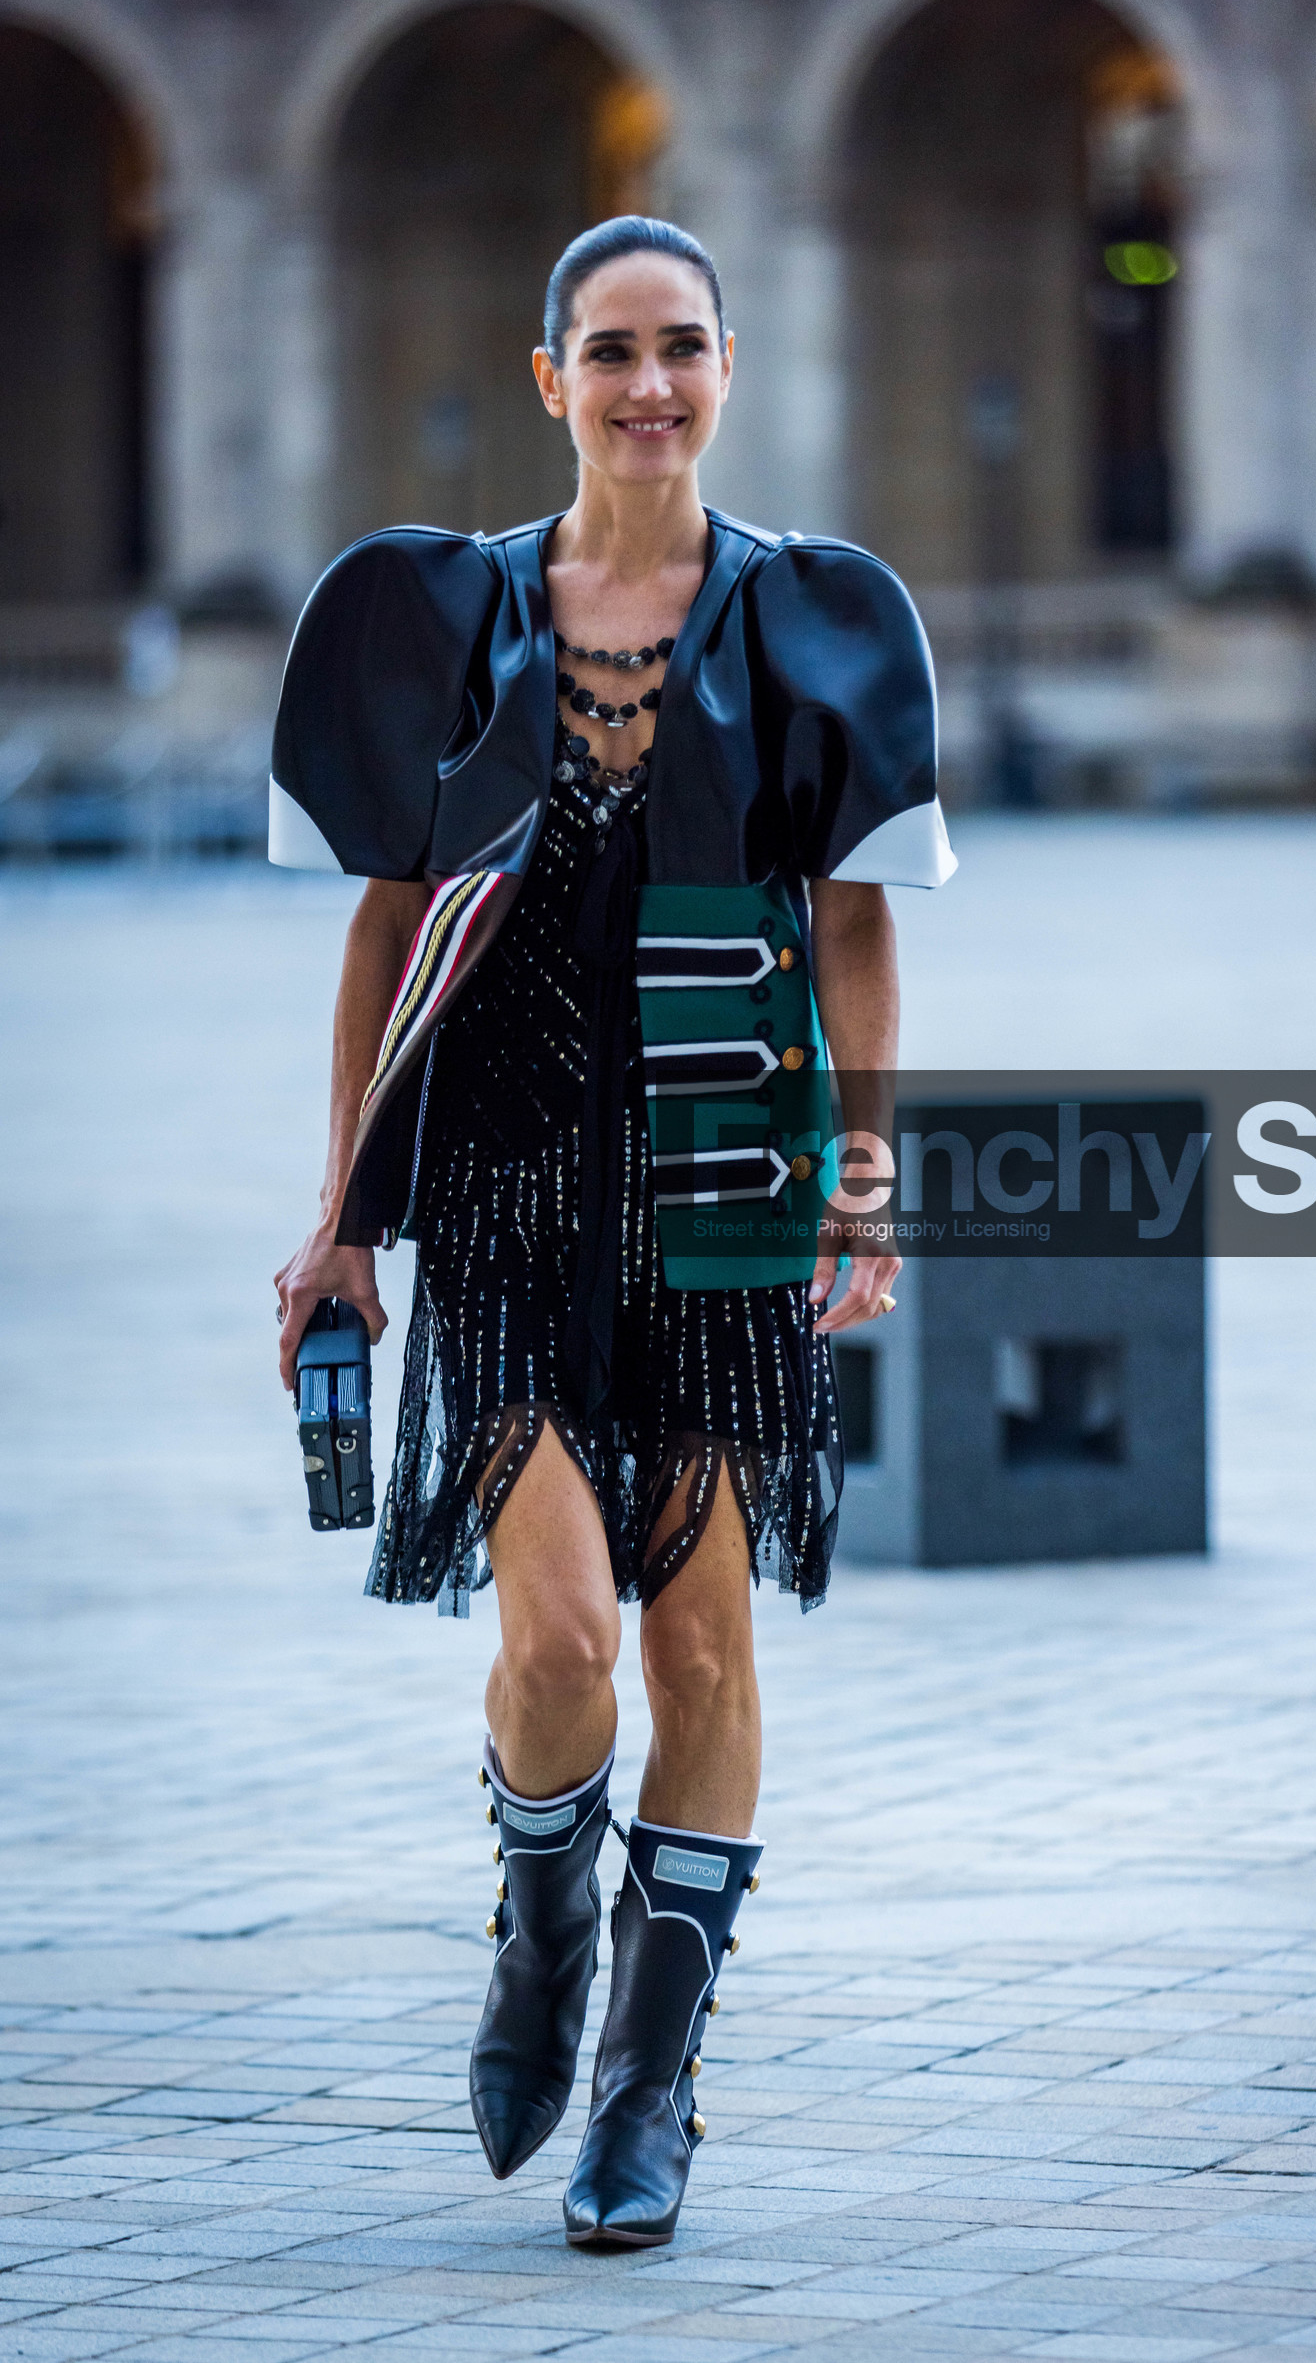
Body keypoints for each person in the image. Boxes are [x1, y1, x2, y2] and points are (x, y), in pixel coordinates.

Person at [269, 216, 955, 2249]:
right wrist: (338, 1216)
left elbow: (850, 915)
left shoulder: (812, 616)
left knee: (702, 1637)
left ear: (723, 368)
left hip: (732, 1160)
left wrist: (867, 1168)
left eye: (679, 348)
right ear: (549, 370)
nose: (646, 383)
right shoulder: (443, 610)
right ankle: (543, 1888)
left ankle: (649, 2089)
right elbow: (388, 922)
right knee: (560, 1638)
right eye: (608, 349)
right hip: (494, 1171)